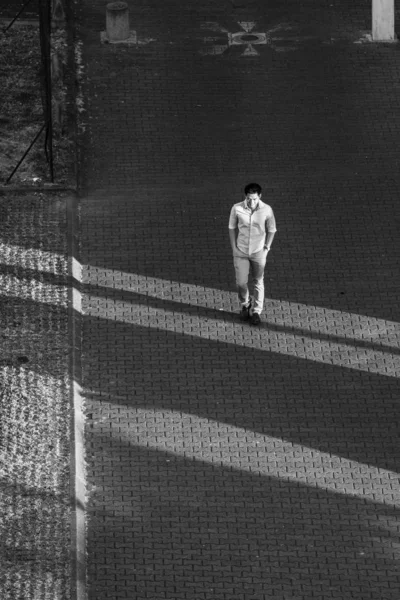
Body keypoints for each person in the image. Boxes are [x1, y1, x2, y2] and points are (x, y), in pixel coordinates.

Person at [228, 183, 277, 325]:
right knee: (241, 282)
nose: (251, 202)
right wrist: (234, 249)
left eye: (254, 198)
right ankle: (245, 304)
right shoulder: (237, 208)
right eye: (249, 198)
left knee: (258, 281)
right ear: (245, 196)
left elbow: (272, 229)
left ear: (260, 196)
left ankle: (256, 311)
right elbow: (231, 228)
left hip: (258, 252)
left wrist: (267, 248)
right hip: (241, 251)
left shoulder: (267, 210)